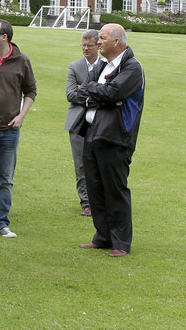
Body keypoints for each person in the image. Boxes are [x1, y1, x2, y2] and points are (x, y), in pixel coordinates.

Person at [74, 24, 146, 257]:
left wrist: (104, 94)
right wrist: (104, 94)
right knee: (95, 188)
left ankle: (121, 243)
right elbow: (82, 92)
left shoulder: (132, 68)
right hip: (92, 133)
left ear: (117, 41)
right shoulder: (103, 65)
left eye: (102, 38)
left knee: (115, 189)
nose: (98, 41)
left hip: (115, 137)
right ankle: (102, 236)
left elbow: (112, 93)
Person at [0, 19, 37, 238]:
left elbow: (30, 91)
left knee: (6, 178)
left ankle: (1, 222)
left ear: (4, 37)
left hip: (9, 131)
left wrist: (22, 115)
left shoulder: (22, 61)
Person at [65, 30, 101, 217]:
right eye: (83, 45)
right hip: (77, 122)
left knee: (100, 163)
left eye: (89, 45)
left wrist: (84, 89)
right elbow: (71, 95)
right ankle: (86, 203)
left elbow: (110, 94)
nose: (85, 49)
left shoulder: (106, 66)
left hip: (101, 121)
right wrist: (96, 92)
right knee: (80, 164)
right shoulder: (75, 66)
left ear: (98, 46)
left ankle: (100, 201)